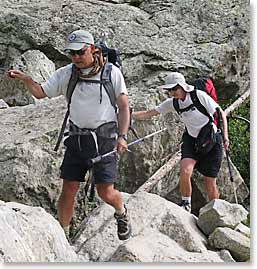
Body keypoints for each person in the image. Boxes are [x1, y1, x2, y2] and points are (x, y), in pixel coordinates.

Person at [7, 29, 132, 240]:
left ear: (92, 49)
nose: (76, 58)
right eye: (72, 54)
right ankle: (62, 236)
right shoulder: (67, 73)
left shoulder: (111, 73)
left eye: (80, 52)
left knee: (105, 192)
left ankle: (121, 213)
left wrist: (122, 136)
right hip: (77, 138)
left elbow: (124, 106)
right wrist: (26, 79)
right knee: (68, 189)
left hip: (104, 140)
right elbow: (40, 93)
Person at [132, 72, 229, 213]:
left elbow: (220, 114)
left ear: (183, 86)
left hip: (211, 139)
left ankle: (216, 212)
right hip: (191, 139)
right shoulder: (173, 103)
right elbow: (150, 113)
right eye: (169, 90)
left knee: (210, 183)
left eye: (174, 89)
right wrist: (127, 115)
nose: (172, 93)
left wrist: (225, 137)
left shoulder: (198, 96)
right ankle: (186, 204)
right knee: (185, 171)